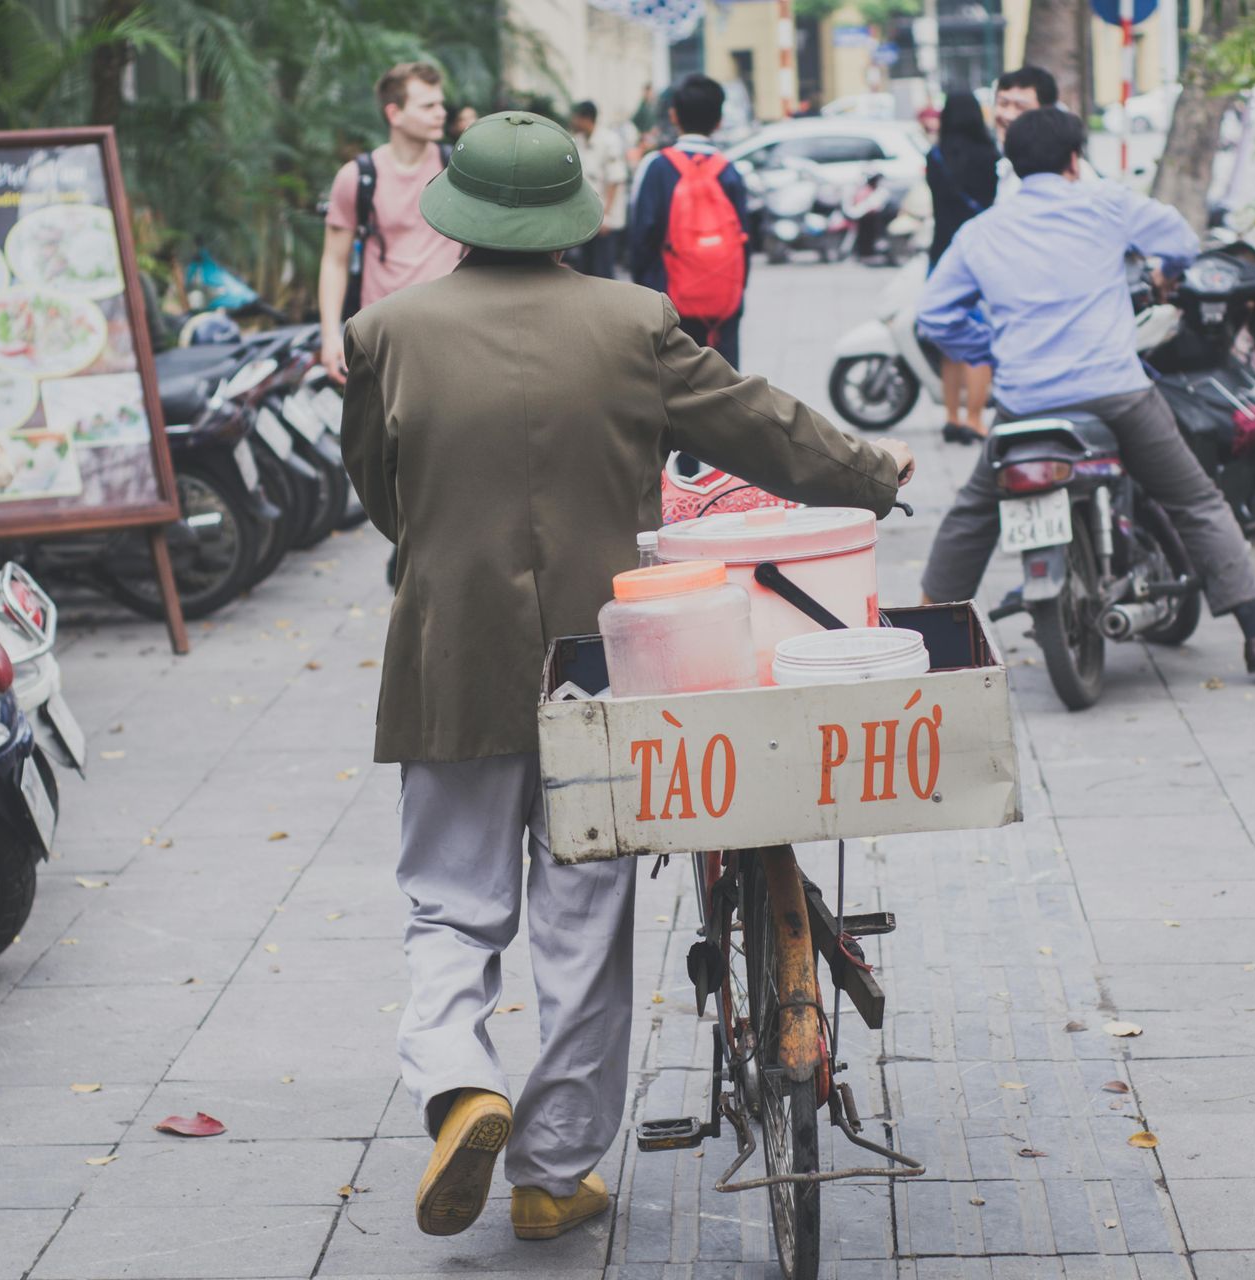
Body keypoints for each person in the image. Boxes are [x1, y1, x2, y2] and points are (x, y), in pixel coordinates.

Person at [339, 110, 914, 1244]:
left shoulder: (384, 331)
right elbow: (759, 427)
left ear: (455, 210)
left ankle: (462, 1083)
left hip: (449, 660)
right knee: (582, 922)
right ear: (568, 216)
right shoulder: (634, 321)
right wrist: (870, 468)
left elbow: (381, 493)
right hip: (610, 665)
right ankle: (553, 1172)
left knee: (451, 904)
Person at [917, 108, 1255, 676]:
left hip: (1025, 405)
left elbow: (933, 315)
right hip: (1116, 394)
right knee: (1195, 500)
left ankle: (924, 646)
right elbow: (1179, 240)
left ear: (1014, 164)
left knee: (972, 515)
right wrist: (1167, 273)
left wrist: (987, 349)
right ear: (1074, 160)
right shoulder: (1104, 202)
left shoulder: (981, 232)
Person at [317, 62, 458, 385]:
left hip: (451, 335)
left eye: (441, 104)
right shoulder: (357, 177)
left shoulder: (457, 172)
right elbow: (334, 261)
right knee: (388, 433)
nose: (441, 113)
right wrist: (329, 336)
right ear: (394, 114)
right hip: (383, 337)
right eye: (428, 106)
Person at [628, 75, 749, 367]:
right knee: (725, 391)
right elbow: (744, 241)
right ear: (719, 120)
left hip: (668, 305)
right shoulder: (730, 171)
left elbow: (640, 240)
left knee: (672, 393)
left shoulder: (656, 167)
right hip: (722, 308)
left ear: (673, 115)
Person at [924, 91, 999, 447]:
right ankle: (974, 418)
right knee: (978, 340)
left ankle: (951, 417)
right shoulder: (990, 157)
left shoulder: (935, 157)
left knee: (948, 342)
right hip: (980, 255)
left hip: (942, 255)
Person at [568, 101, 628, 279]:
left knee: (603, 271)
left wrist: (606, 216)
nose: (573, 121)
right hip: (584, 218)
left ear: (586, 119)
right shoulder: (577, 140)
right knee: (585, 270)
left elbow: (615, 180)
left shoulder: (609, 141)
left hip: (604, 220)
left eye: (577, 118)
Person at [993, 65, 1058, 194]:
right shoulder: (1006, 165)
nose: (1008, 115)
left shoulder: (1062, 170)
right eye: (1003, 103)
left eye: (1020, 107)